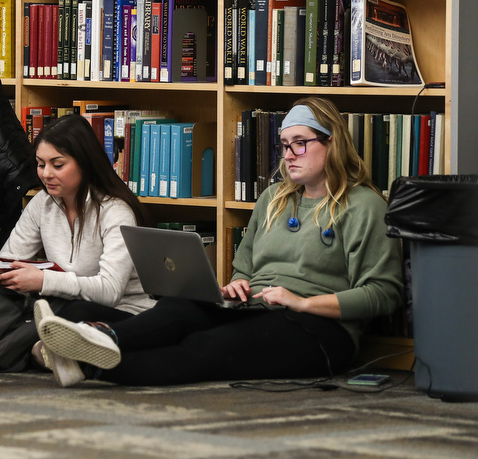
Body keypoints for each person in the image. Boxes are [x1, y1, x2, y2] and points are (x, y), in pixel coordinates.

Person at [34, 97, 405, 387]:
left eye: (300, 144)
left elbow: (383, 294)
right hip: (256, 310)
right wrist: (237, 285)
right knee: (180, 309)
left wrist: (302, 302)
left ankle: (85, 362)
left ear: (332, 142)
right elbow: (244, 269)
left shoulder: (364, 205)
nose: (289, 155)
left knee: (206, 349)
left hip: (320, 330)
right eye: (284, 145)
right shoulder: (274, 198)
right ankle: (100, 338)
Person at [0, 114, 156, 371]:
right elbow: (2, 260)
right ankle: (51, 352)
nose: (46, 174)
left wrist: (44, 281)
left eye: (58, 164)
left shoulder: (115, 211)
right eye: (41, 164)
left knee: (73, 314)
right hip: (67, 303)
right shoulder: (42, 204)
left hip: (123, 311)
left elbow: (109, 292)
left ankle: (49, 351)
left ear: (85, 163)